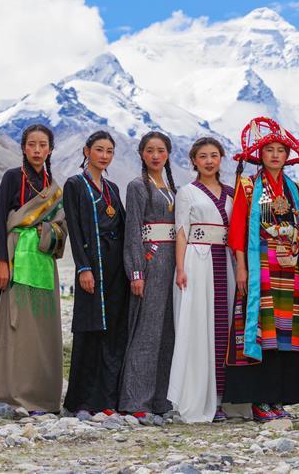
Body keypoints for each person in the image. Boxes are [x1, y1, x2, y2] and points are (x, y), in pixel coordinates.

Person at [224, 117, 299, 422]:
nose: (275, 155)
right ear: (260, 154)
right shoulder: (249, 186)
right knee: (264, 333)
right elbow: (238, 228)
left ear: (287, 156)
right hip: (261, 267)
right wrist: (241, 267)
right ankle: (260, 400)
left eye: (280, 150)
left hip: (291, 270)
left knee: (287, 335)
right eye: (269, 150)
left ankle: (278, 398)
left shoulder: (294, 189)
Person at [0, 124, 67, 414]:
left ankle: (41, 396)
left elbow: (62, 229)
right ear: (24, 148)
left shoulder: (54, 188)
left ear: (50, 150)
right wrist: (1, 261)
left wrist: (47, 231)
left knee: (40, 330)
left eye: (43, 145)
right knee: (12, 328)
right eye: (32, 145)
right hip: (14, 257)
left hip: (42, 262)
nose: (37, 150)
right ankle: (6, 393)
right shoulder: (12, 177)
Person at [168, 137, 236, 423]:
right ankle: (200, 397)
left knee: (226, 326)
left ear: (221, 158)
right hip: (198, 262)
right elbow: (181, 231)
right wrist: (180, 267)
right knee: (199, 325)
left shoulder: (232, 192)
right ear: (194, 161)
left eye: (214, 155)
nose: (209, 161)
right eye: (203, 156)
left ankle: (223, 397)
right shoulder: (187, 192)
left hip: (226, 262)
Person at [63, 131, 129, 417]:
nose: (104, 155)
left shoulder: (112, 187)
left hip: (115, 266)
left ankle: (107, 398)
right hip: (93, 263)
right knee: (90, 328)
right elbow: (75, 229)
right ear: (86, 151)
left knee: (113, 330)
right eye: (99, 149)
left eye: (109, 151)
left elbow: (123, 224)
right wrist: (83, 267)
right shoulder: (75, 184)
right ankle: (82, 400)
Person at [119, 131, 178, 420]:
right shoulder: (137, 186)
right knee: (147, 332)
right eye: (150, 150)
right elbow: (132, 231)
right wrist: (136, 272)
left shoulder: (171, 188)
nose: (156, 156)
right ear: (142, 154)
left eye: (161, 150)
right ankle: (135, 400)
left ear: (168, 155)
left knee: (168, 332)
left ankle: (160, 399)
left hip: (172, 264)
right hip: (151, 262)